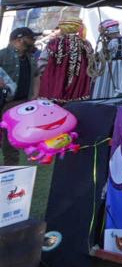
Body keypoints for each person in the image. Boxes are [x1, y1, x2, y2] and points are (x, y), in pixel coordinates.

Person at [1, 27, 40, 163]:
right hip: (5, 102)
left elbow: (36, 75)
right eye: (31, 38)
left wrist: (35, 94)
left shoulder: (30, 58)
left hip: (21, 103)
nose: (34, 40)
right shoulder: (3, 54)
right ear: (19, 39)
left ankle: (10, 169)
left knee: (11, 137)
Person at [38, 18, 95, 101]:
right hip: (78, 89)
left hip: (54, 88)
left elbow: (42, 64)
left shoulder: (54, 43)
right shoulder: (86, 44)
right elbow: (91, 65)